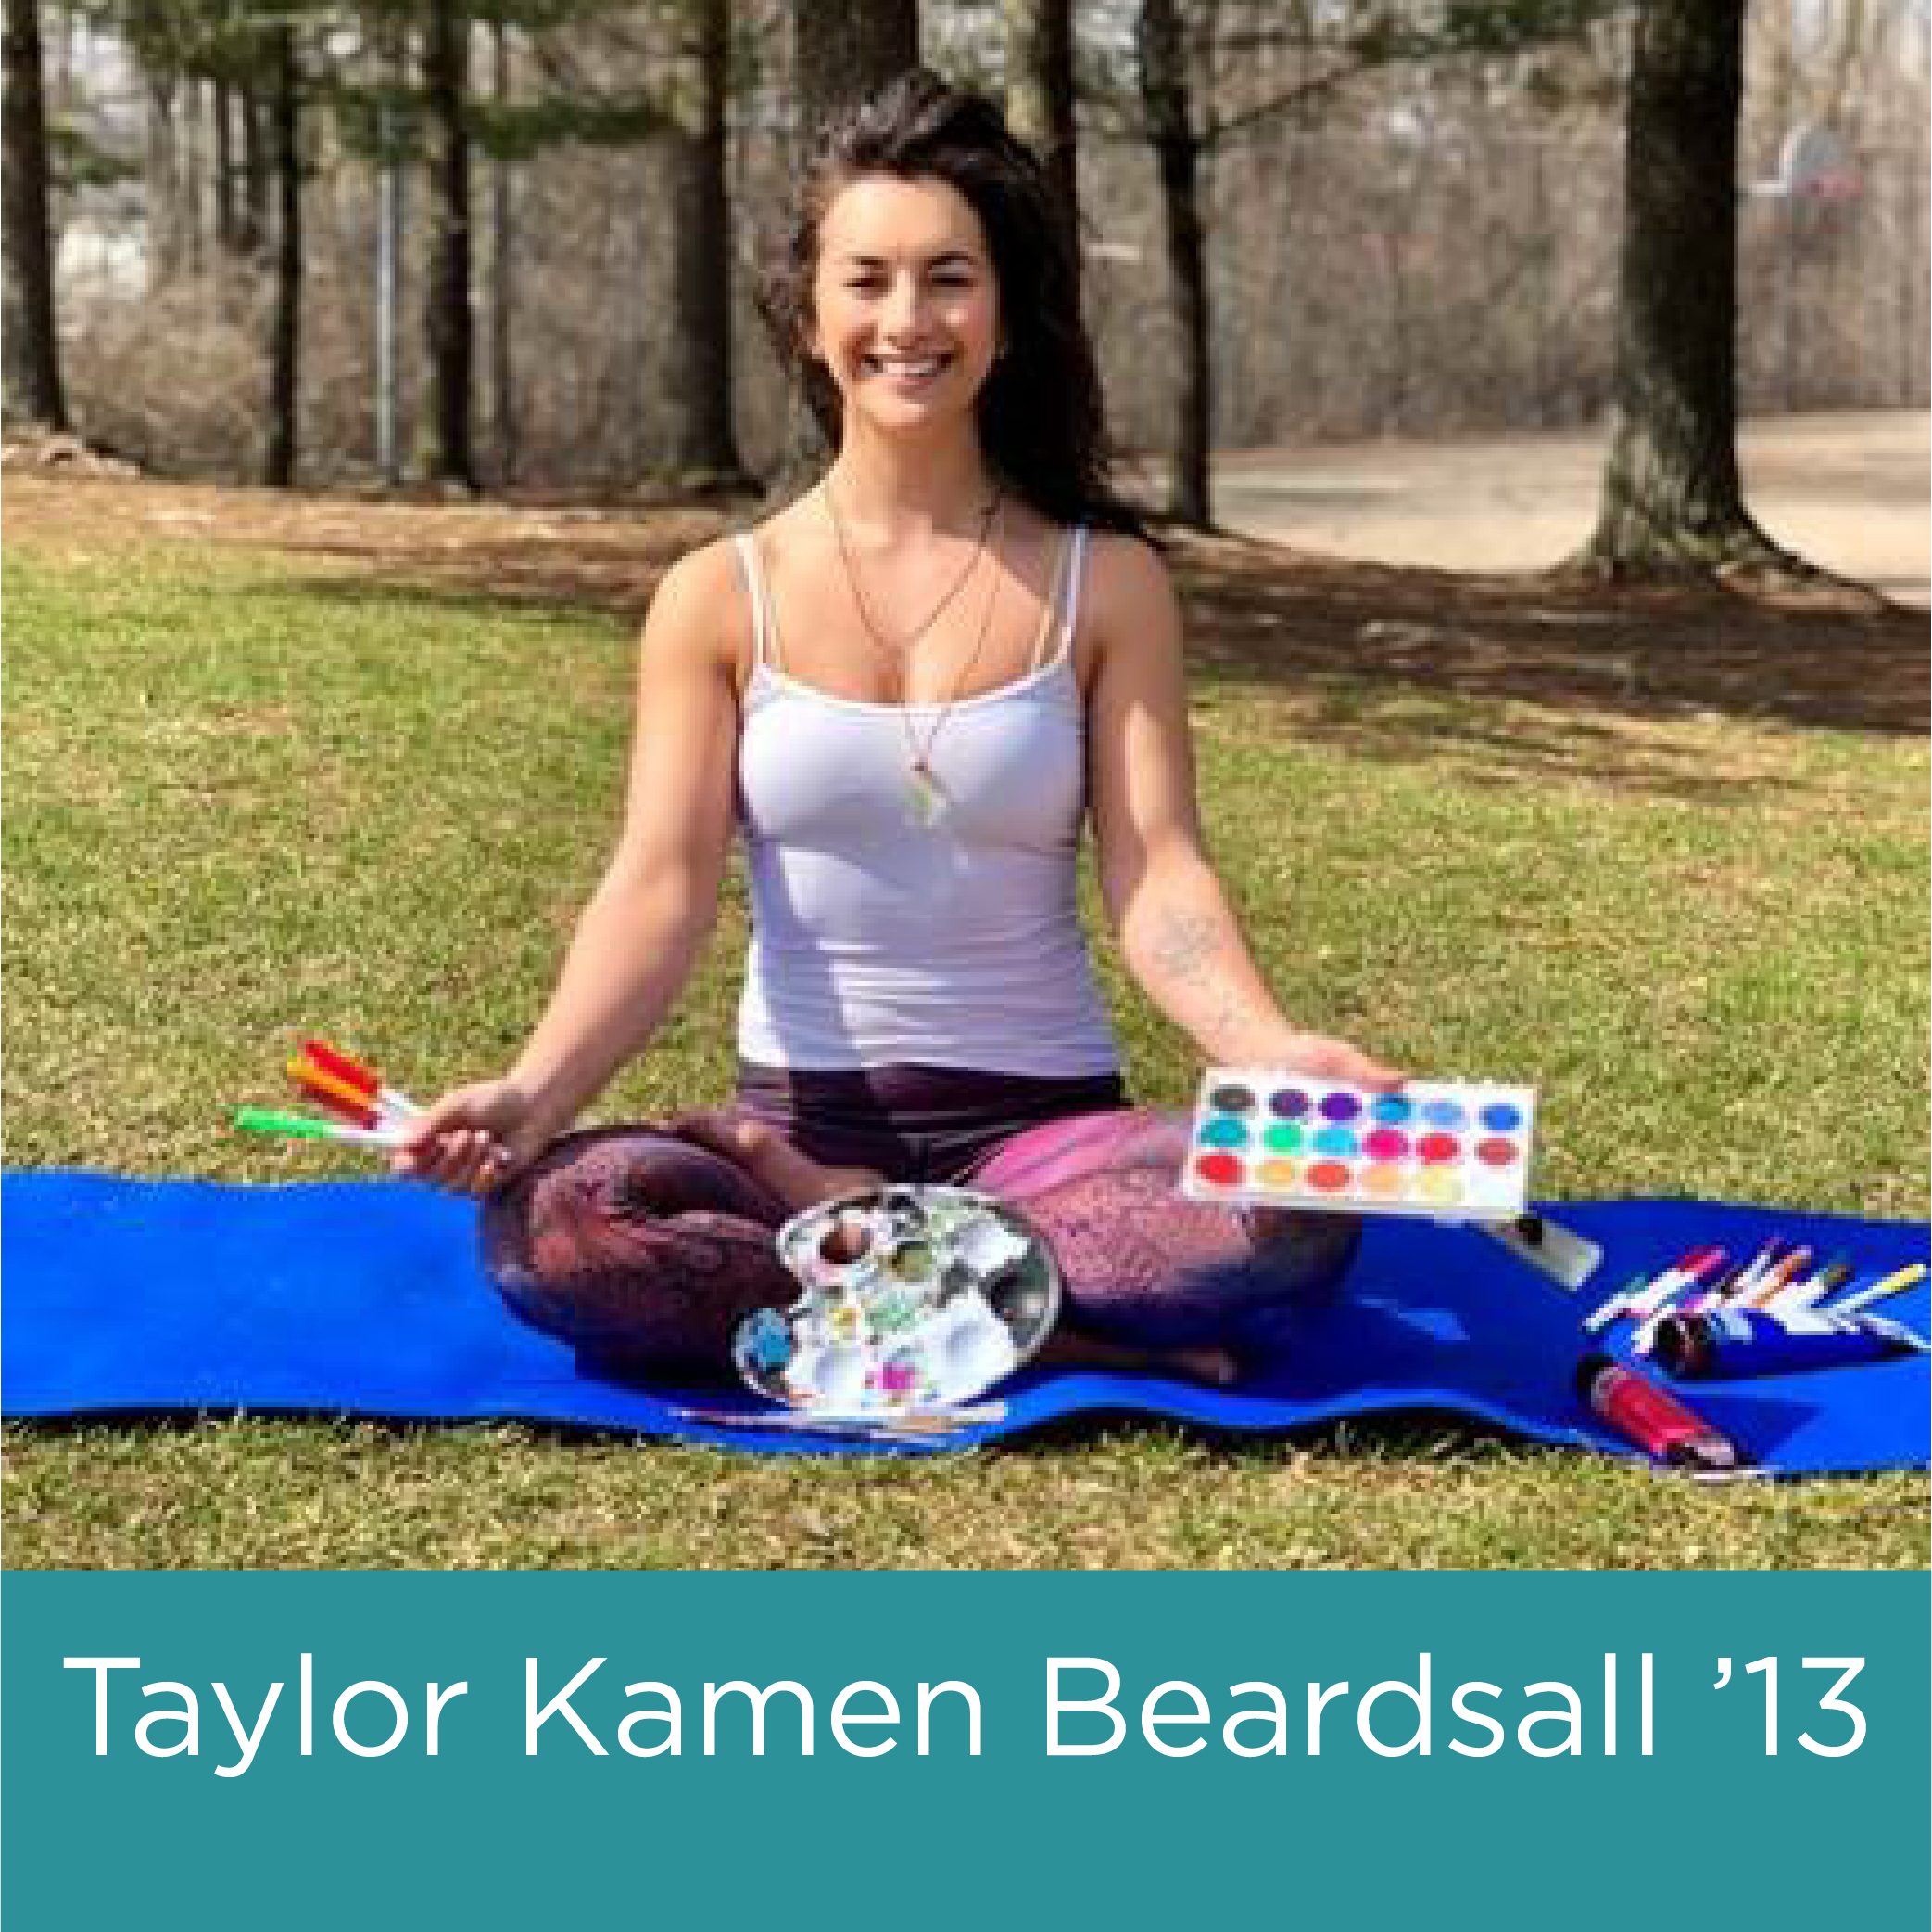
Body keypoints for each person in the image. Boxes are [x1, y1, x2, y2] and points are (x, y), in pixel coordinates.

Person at [396, 68, 1400, 1388]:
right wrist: (531, 1096)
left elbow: (1157, 869)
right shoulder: (716, 595)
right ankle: (1022, 1311)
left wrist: (1267, 1050)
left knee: (1275, 1226)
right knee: (561, 1233)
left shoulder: (1109, 582)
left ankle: (866, 1271)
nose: (906, 320)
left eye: (949, 278)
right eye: (865, 278)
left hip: (1045, 1146)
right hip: (796, 1128)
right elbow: (657, 888)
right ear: (808, 311)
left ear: (1005, 312)